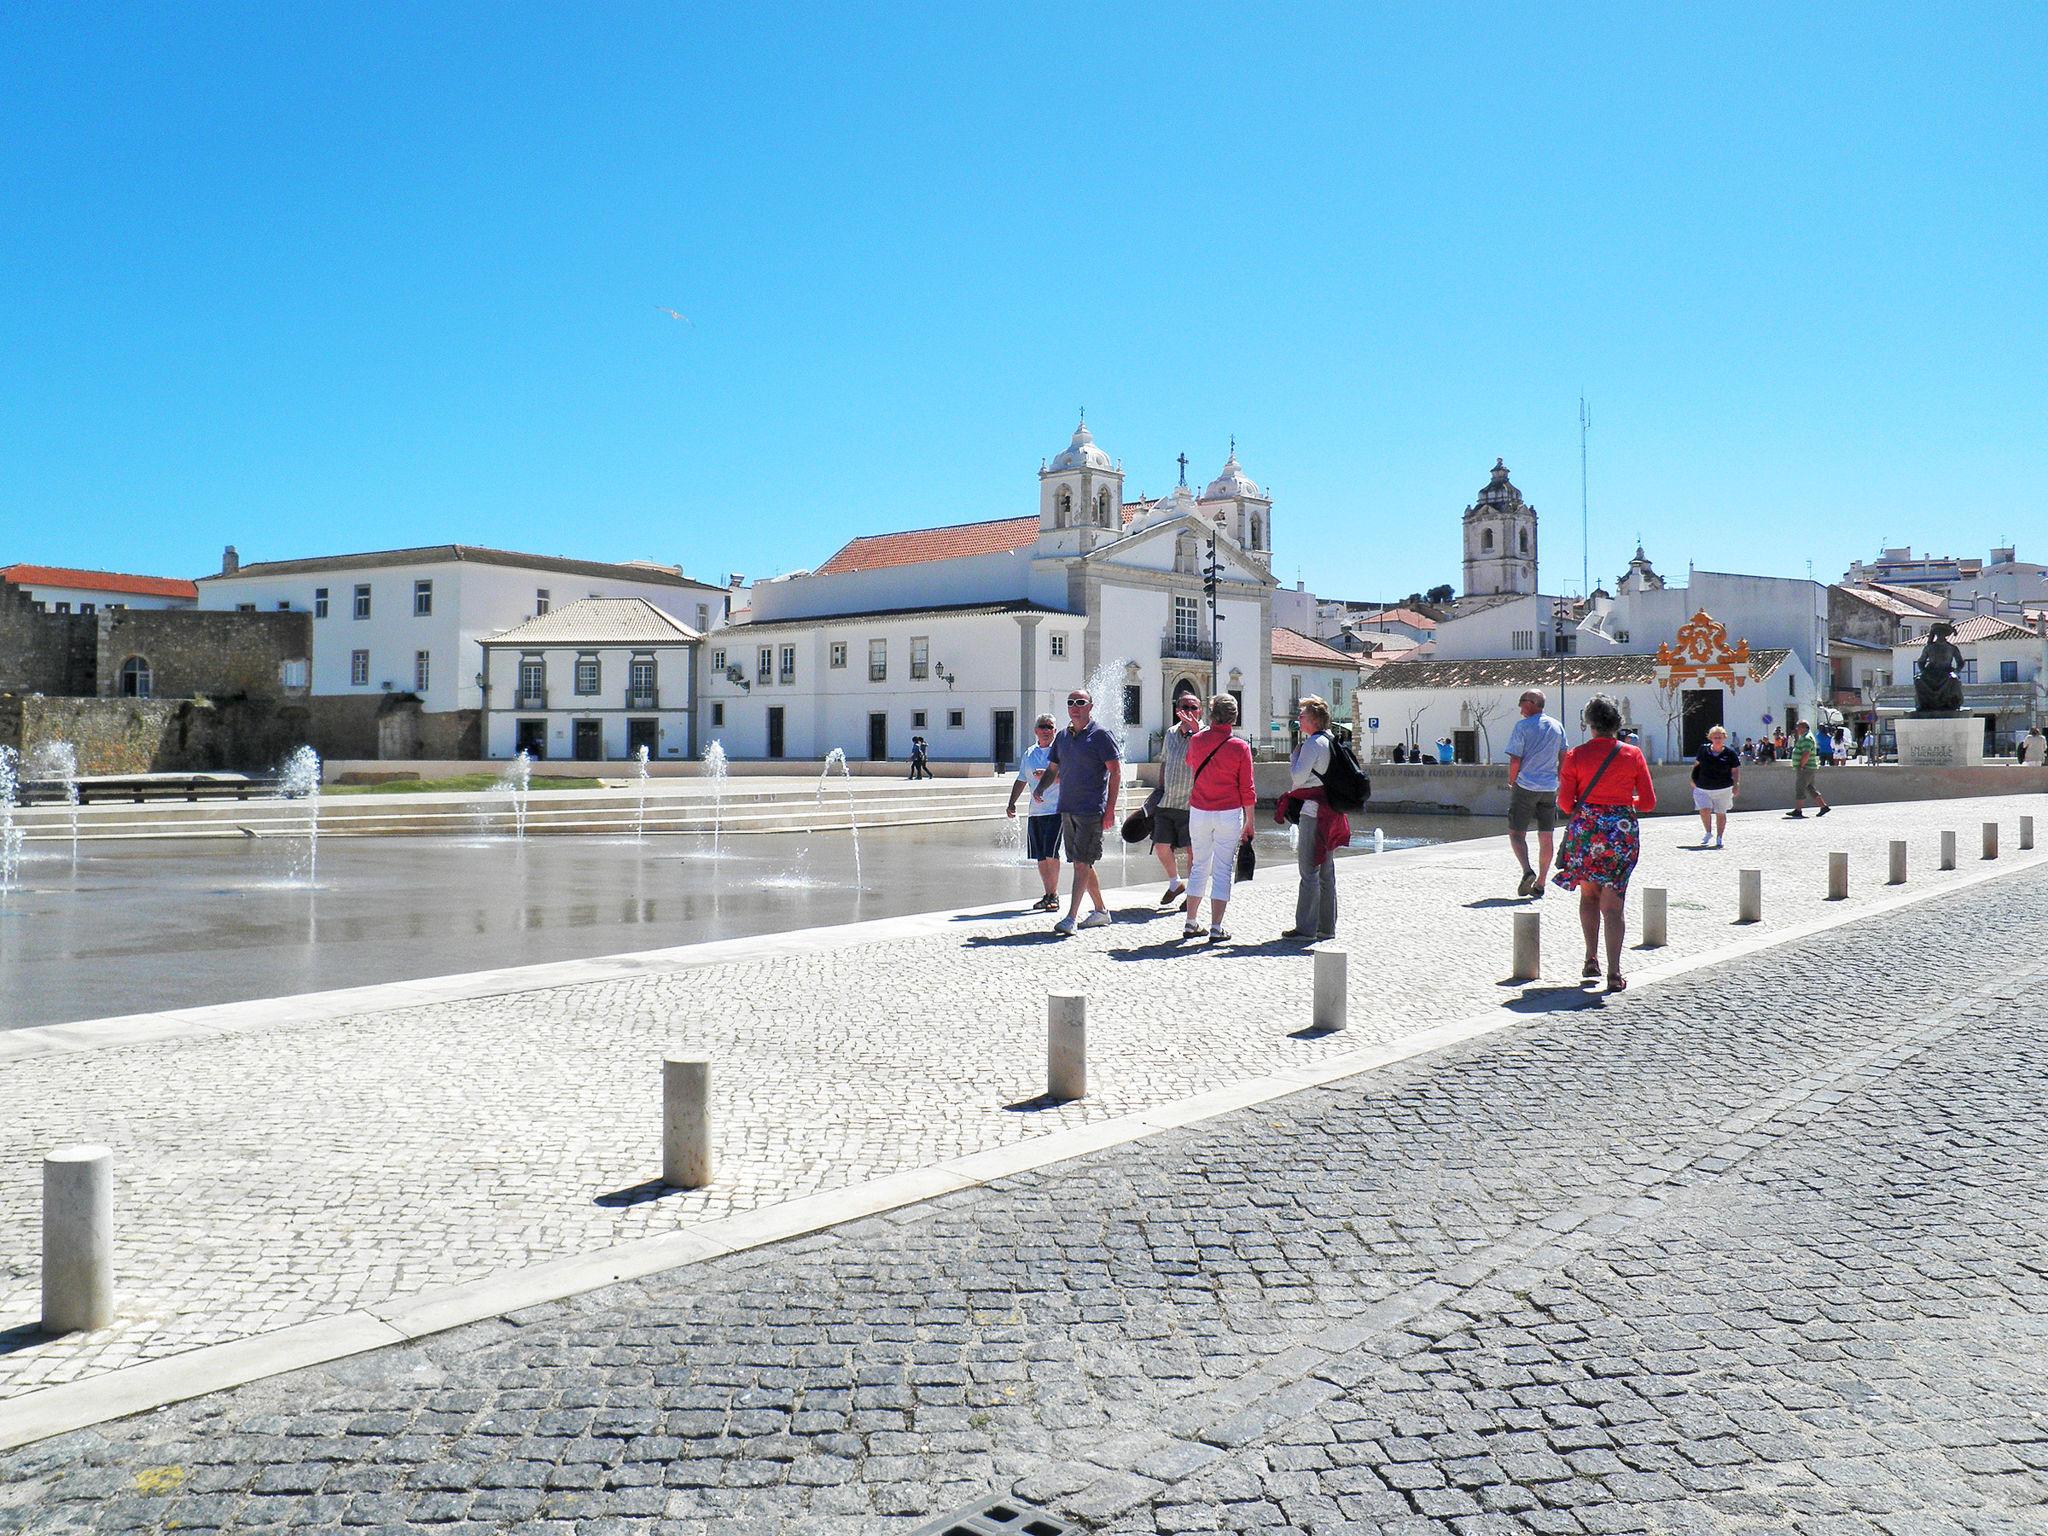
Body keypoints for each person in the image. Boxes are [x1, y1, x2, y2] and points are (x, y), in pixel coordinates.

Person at [1553, 694, 1656, 993]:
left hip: (1586, 832)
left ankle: (1590, 959)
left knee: (1588, 897)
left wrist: (1592, 809)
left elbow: (1564, 802)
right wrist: (1622, 802)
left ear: (1589, 724)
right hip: (1621, 833)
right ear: (1617, 723)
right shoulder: (1632, 755)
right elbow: (1648, 803)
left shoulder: (1575, 756)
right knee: (1614, 906)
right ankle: (1614, 973)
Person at [1039, 688, 1121, 935]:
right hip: (1068, 808)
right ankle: (1101, 911)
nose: (1075, 706)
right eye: (1071, 702)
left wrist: (1110, 810)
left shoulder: (1101, 736)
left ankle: (1071, 918)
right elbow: (1053, 768)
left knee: (1081, 864)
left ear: (1090, 706)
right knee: (1081, 862)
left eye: (1080, 702)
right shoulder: (1062, 737)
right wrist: (1040, 788)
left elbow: (1115, 772)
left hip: (1090, 810)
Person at [1184, 693, 1256, 941]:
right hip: (1228, 813)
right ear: (1234, 717)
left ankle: (1191, 922)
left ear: (1211, 714)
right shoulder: (1240, 747)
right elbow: (1247, 789)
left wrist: (1199, 732)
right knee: (1223, 869)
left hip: (1200, 811)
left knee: (1199, 866)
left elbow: (1190, 763)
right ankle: (1216, 927)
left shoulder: (1196, 740)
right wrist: (1250, 822)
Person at [1277, 695, 1347, 941]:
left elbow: (1297, 777)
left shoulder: (1312, 745)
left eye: (1302, 715)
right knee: (1327, 871)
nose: (1299, 718)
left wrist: (1293, 756)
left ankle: (1306, 928)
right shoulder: (1332, 742)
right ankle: (1327, 927)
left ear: (1314, 720)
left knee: (1309, 869)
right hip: (1332, 813)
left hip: (1313, 812)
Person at [1503, 688, 1567, 898]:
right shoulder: (1558, 726)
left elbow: (1515, 759)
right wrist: (1558, 779)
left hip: (1526, 786)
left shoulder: (1522, 727)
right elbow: (1563, 756)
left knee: (1516, 833)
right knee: (1546, 836)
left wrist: (1512, 781)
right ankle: (1540, 882)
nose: (1520, 705)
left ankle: (1527, 870)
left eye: (1522, 701)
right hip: (1549, 788)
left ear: (1532, 702)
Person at [1004, 713, 1063, 912]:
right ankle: (1047, 894)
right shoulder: (1029, 753)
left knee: (1051, 853)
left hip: (1056, 810)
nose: (1046, 730)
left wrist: (1050, 777)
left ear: (1055, 730)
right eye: (1042, 726)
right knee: (1040, 856)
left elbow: (1071, 776)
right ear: (1035, 730)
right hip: (1035, 812)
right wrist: (1012, 802)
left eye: (1050, 727)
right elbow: (1021, 779)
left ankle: (1054, 895)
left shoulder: (1060, 750)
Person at [1152, 694, 1199, 906]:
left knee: (1193, 852)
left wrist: (1195, 731)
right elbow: (1164, 762)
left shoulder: (1204, 734)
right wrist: (1159, 788)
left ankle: (1192, 894)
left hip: (1191, 803)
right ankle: (1175, 883)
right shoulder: (1170, 733)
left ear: (1200, 711)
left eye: (1193, 707)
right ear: (1176, 709)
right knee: (1161, 847)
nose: (1189, 711)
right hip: (1167, 800)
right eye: (1184, 706)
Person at [1691, 724, 1740, 847]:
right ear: (1710, 738)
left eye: (1720, 737)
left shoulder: (1730, 753)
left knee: (1720, 812)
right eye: (1715, 737)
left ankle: (1719, 837)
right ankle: (1708, 832)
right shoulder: (1703, 750)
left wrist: (1736, 784)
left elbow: (1735, 770)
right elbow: (1697, 765)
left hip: (1723, 787)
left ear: (1724, 738)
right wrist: (1693, 778)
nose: (1717, 739)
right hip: (1703, 786)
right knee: (1704, 809)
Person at [1785, 720, 1830, 818]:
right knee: (1810, 787)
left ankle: (1798, 810)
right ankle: (1823, 806)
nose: (1797, 729)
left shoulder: (1807, 738)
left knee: (1800, 787)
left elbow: (1806, 753)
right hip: (1809, 767)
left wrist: (1801, 765)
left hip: (1805, 768)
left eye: (1799, 727)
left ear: (1804, 728)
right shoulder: (1806, 737)